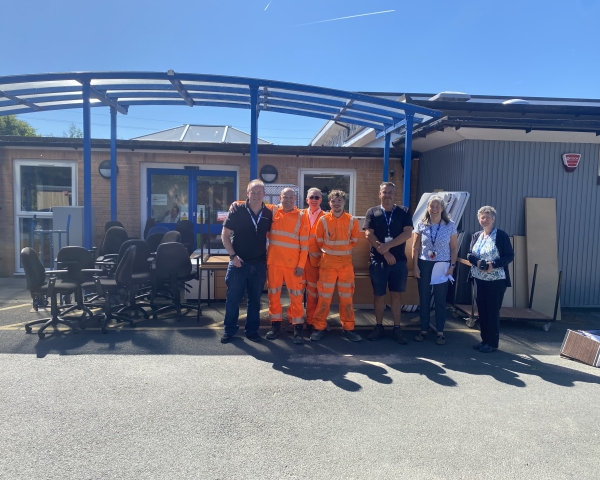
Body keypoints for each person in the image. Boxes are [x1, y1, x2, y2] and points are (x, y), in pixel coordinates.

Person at [220, 180, 273, 343]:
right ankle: (229, 330)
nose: (256, 195)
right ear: (247, 194)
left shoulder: (269, 213)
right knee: (233, 299)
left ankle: (252, 331)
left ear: (264, 194)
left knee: (255, 300)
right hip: (238, 263)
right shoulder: (237, 210)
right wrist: (233, 256)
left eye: (259, 192)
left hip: (259, 264)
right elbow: (225, 236)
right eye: (253, 192)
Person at [364, 182, 414, 344]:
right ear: (380, 194)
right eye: (385, 192)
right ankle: (378, 326)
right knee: (378, 296)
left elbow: (407, 233)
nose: (387, 195)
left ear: (394, 194)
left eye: (391, 192)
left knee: (396, 295)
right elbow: (368, 235)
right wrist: (385, 252)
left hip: (398, 262)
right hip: (378, 261)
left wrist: (388, 247)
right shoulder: (372, 212)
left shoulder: (404, 212)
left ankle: (397, 328)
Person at [310, 190, 362, 342]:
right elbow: (319, 240)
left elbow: (355, 240)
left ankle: (348, 329)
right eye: (333, 201)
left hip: (345, 265)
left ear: (344, 202)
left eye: (339, 201)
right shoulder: (324, 220)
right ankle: (319, 328)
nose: (336, 204)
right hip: (328, 264)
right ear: (329, 203)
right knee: (324, 299)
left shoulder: (352, 220)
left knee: (347, 299)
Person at [264, 188, 309, 344]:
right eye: (285, 197)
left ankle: (297, 328)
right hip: (274, 263)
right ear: (280, 197)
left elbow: (305, 245)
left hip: (293, 265)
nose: (288, 199)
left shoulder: (302, 216)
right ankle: (275, 325)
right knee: (273, 296)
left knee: (296, 297)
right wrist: (237, 203)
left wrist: (301, 265)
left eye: (291, 197)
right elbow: (254, 201)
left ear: (295, 198)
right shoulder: (273, 210)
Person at [467, 206, 514, 353]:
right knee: (482, 311)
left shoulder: (501, 236)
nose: (484, 220)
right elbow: (470, 254)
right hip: (479, 279)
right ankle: (484, 340)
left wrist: (493, 264)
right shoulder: (476, 235)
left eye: (488, 217)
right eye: (482, 217)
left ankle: (492, 343)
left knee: (492, 311)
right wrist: (477, 263)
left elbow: (509, 256)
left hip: (495, 281)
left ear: (493, 219)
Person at [412, 195, 458, 345]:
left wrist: (452, 266)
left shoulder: (449, 225)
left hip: (442, 265)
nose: (435, 209)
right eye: (432, 206)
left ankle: (440, 332)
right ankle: (423, 330)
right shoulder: (421, 224)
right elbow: (416, 247)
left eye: (438, 206)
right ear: (428, 208)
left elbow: (453, 248)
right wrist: (415, 266)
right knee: (424, 299)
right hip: (425, 264)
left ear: (443, 208)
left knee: (440, 300)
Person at [303, 188, 326, 333]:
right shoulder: (299, 214)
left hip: (315, 261)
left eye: (317, 197)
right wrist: (240, 202)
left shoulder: (326, 216)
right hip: (299, 259)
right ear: (307, 200)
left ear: (321, 200)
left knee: (313, 293)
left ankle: (311, 321)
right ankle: (296, 321)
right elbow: (272, 207)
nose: (314, 199)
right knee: (297, 292)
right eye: (312, 197)